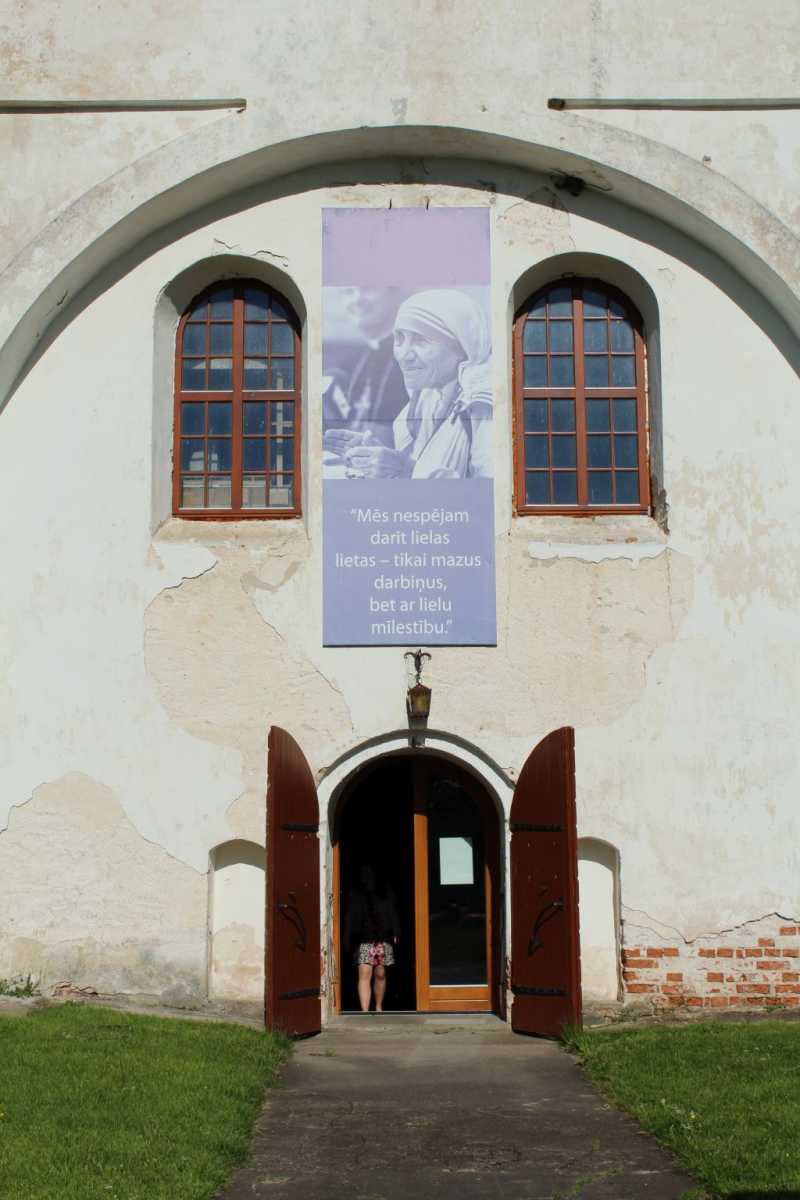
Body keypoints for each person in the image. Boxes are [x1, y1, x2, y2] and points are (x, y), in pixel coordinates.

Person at [323, 288, 492, 480]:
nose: (404, 355)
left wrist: (405, 470)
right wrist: (379, 455)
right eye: (400, 339)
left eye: (421, 340)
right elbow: (423, 467)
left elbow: (493, 498)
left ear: (461, 343)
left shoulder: (485, 406)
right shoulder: (425, 397)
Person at [322, 286, 410, 447]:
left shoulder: (413, 357)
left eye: (368, 288)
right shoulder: (351, 363)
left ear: (395, 293)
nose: (357, 299)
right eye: (348, 291)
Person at [344, 865, 400, 1013]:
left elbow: (392, 911)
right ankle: (365, 1010)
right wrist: (346, 938)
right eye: (363, 873)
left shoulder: (385, 891)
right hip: (363, 937)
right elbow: (350, 917)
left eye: (368, 873)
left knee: (380, 973)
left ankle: (378, 1007)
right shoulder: (355, 893)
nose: (366, 876)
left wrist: (396, 931)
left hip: (382, 937)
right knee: (364, 971)